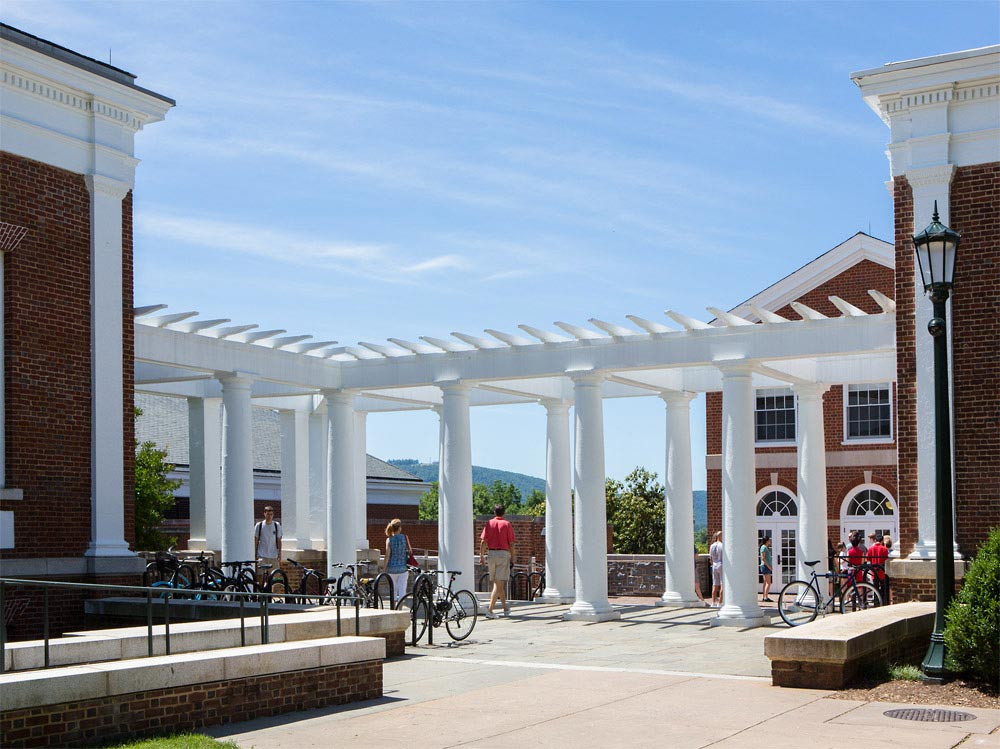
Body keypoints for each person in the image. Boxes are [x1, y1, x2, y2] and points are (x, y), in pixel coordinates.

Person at [479, 504, 516, 618]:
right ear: (504, 513)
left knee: (497, 582)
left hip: (491, 554)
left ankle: (505, 608)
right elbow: (511, 543)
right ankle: (490, 610)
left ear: (494, 512)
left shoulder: (489, 523)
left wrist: (481, 556)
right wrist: (513, 557)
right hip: (503, 554)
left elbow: (483, 542)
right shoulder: (507, 524)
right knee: (499, 583)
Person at [381, 518, 412, 606]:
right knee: (402, 590)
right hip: (403, 568)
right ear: (399, 528)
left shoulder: (389, 540)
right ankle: (400, 610)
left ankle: (393, 609)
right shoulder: (405, 538)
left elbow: (387, 555)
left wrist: (384, 569)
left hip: (391, 569)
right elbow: (410, 551)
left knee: (393, 591)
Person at [253, 506, 282, 570]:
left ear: (273, 515)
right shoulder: (259, 525)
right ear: (264, 514)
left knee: (275, 577)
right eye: (268, 514)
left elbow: (279, 540)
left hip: (274, 556)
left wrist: (279, 554)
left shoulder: (276, 525)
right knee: (261, 576)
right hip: (261, 556)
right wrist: (254, 554)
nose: (269, 516)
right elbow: (255, 540)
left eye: (271, 514)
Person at [709, 531, 723, 607]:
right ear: (719, 536)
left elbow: (710, 557)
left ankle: (713, 602)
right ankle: (720, 602)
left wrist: (712, 563)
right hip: (721, 564)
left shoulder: (712, 546)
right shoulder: (722, 545)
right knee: (722, 584)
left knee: (714, 584)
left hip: (714, 565)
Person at [759, 536, 773, 602]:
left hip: (765, 566)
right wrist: (769, 566)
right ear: (767, 541)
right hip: (765, 566)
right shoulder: (764, 547)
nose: (770, 541)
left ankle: (764, 596)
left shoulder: (765, 547)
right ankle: (766, 597)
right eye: (769, 540)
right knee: (768, 583)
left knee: (765, 582)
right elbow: (763, 558)